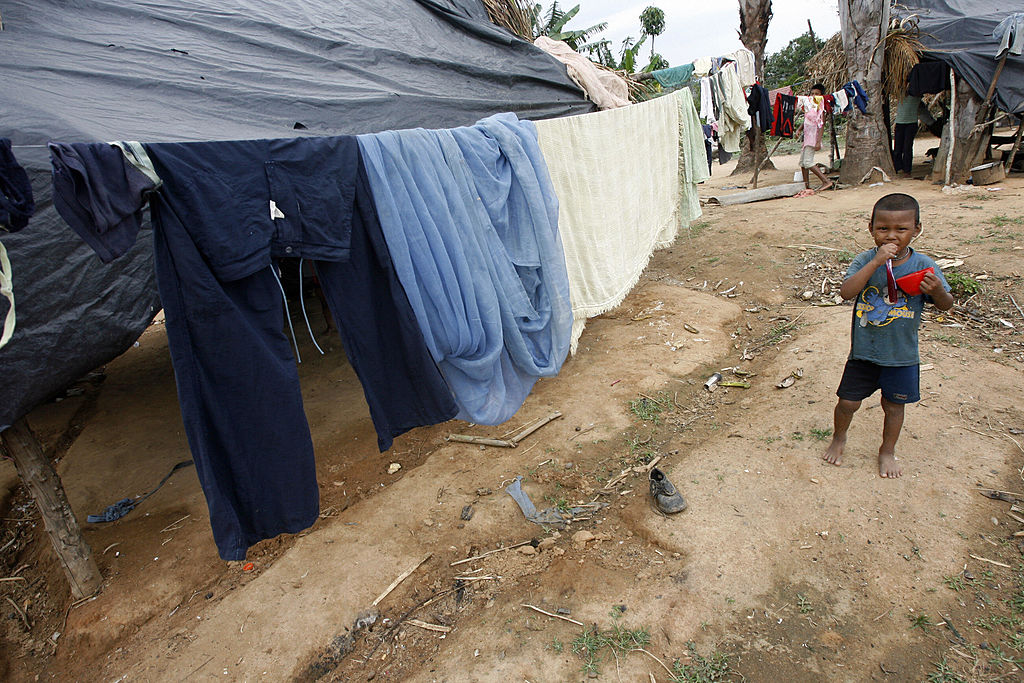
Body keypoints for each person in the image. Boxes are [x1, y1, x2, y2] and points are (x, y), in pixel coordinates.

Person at [822, 193, 954, 478]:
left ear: (916, 229)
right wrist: (876, 263)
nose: (891, 235)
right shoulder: (865, 260)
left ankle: (887, 450)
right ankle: (839, 437)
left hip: (902, 356)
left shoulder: (923, 265)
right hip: (864, 353)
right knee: (847, 402)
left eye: (901, 229)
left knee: (894, 406)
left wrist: (937, 291)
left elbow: (946, 304)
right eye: (883, 228)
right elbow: (846, 292)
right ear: (871, 228)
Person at [795, 83, 832, 191]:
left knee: (808, 162)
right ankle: (806, 186)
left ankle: (826, 181)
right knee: (802, 163)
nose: (814, 96)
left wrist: (818, 141)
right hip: (807, 137)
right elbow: (806, 120)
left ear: (821, 95)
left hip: (813, 137)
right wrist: (799, 129)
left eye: (817, 94)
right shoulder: (809, 106)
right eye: (812, 93)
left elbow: (821, 125)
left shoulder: (821, 108)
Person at [892, 94, 936, 174]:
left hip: (911, 124)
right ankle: (898, 168)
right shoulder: (899, 94)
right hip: (900, 124)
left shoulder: (916, 95)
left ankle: (907, 170)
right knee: (898, 148)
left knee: (907, 147)